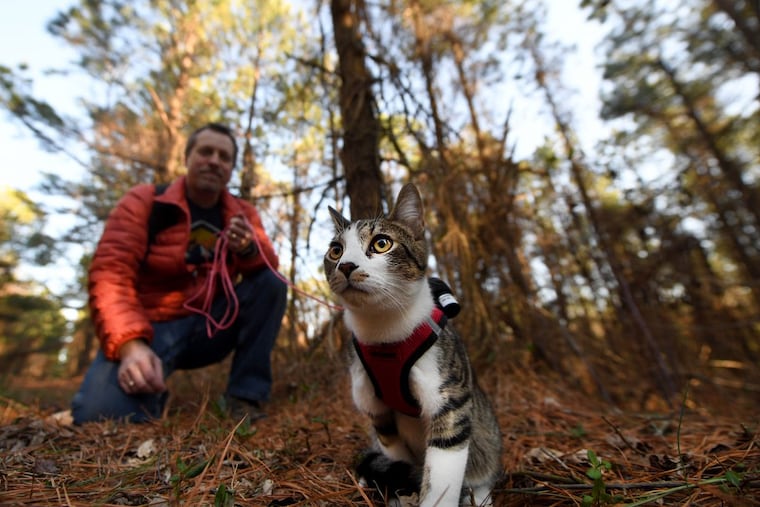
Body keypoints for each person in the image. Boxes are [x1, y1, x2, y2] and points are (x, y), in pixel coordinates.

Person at [71, 122, 287, 424]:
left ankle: (245, 397)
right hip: (151, 328)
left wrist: (248, 249)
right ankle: (151, 390)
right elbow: (110, 273)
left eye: (224, 157)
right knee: (99, 417)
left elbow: (266, 271)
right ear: (187, 157)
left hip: (214, 327)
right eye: (205, 151)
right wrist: (131, 347)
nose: (214, 160)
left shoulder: (242, 213)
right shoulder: (144, 202)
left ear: (231, 169)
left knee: (272, 283)